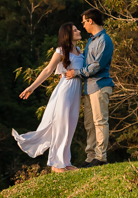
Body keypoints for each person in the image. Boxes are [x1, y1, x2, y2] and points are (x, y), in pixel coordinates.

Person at [12, 23, 84, 172]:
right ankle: (56, 164)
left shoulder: (79, 51)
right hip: (65, 91)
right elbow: (47, 70)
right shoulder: (60, 51)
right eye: (75, 30)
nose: (79, 31)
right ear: (68, 34)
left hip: (76, 92)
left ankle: (66, 162)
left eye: (78, 29)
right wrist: (31, 88)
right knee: (61, 126)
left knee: (70, 127)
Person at [64, 8, 113, 167]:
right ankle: (90, 157)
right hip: (89, 88)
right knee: (89, 124)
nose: (83, 25)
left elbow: (96, 66)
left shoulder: (104, 40)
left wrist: (76, 73)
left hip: (99, 85)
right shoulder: (91, 40)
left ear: (90, 21)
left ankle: (101, 157)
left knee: (100, 122)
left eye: (83, 22)